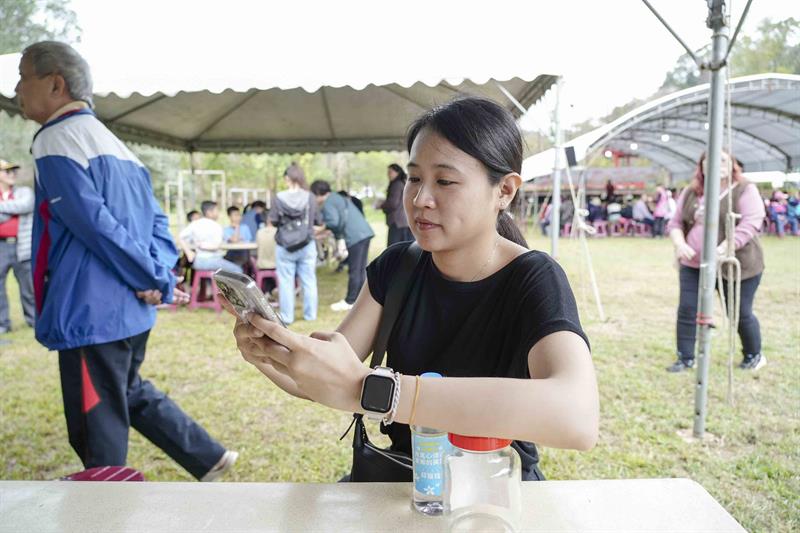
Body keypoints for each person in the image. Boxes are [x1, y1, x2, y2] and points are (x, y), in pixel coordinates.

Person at [226, 97, 598, 482]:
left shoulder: (533, 279)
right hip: (405, 479)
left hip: (491, 488)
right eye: (415, 178)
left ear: (504, 190)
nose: (420, 200)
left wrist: (383, 393)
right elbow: (333, 380)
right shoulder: (398, 266)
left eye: (445, 181)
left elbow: (577, 417)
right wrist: (267, 352)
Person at [16, 41, 236, 479]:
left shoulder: (56, 138)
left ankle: (106, 509)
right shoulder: (117, 145)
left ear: (56, 83)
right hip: (129, 308)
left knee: (96, 423)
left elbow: (94, 225)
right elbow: (156, 221)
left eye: (24, 76)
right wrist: (158, 272)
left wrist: (151, 274)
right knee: (126, 389)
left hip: (90, 310)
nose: (17, 88)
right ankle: (207, 456)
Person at [665, 150, 766, 372]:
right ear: (701, 166)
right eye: (708, 160)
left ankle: (754, 354)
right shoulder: (692, 191)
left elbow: (751, 222)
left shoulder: (744, 189)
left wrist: (725, 248)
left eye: (721, 159)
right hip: (694, 264)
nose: (715, 164)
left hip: (737, 263)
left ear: (732, 163)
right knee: (687, 309)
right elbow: (675, 223)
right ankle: (686, 357)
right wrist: (680, 245)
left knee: (739, 312)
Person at [310, 179, 375, 312]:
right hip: (364, 232)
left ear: (317, 193)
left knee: (355, 270)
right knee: (361, 269)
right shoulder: (336, 197)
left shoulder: (328, 202)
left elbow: (333, 222)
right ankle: (360, 300)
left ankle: (350, 301)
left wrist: (321, 229)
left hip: (355, 235)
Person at [269, 163, 320, 325]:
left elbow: (275, 220)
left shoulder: (279, 197)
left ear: (287, 178)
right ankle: (310, 315)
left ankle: (287, 316)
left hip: (285, 245)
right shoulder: (310, 197)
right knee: (309, 280)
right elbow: (317, 220)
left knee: (285, 281)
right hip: (307, 243)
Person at [0, 160, 35, 337]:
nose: (12, 174)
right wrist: (12, 211)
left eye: (14, 170)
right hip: (1, 247)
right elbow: (17, 209)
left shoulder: (24, 192)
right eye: (7, 171)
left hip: (22, 246)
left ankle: (34, 320)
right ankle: (2, 324)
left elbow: (25, 205)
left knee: (28, 287)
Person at [179, 201, 242, 273]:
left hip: (198, 261)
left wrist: (189, 253)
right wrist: (237, 226)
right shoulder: (217, 226)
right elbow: (233, 240)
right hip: (213, 260)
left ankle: (211, 283)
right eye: (217, 210)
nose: (218, 213)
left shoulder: (195, 224)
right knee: (238, 270)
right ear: (209, 212)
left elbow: (180, 237)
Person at [380, 163, 414, 245]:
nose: (388, 175)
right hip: (404, 221)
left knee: (393, 249)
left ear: (397, 172)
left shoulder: (397, 184)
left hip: (397, 222)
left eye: (390, 172)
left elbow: (393, 203)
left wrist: (381, 205)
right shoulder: (403, 182)